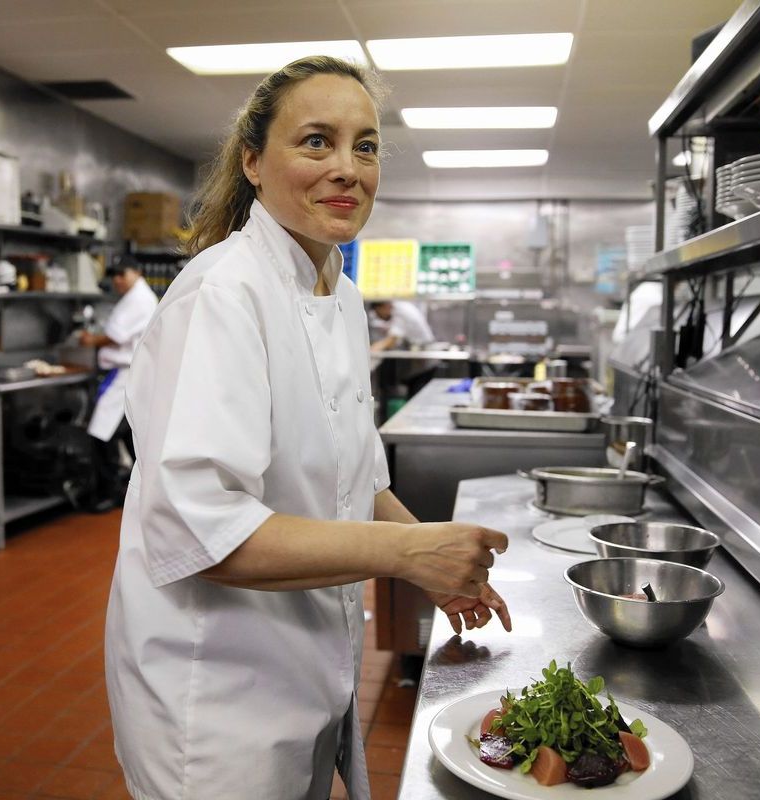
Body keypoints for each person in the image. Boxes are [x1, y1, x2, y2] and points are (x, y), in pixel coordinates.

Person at [104, 56, 512, 800]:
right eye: (317, 142)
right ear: (254, 162)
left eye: (365, 145)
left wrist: (439, 568)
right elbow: (202, 533)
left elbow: (360, 481)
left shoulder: (342, 295)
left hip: (310, 663)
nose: (347, 169)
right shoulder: (222, 294)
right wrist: (413, 553)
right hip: (220, 692)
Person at [79, 256, 157, 509]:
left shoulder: (140, 298)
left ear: (136, 272)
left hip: (124, 373)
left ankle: (110, 492)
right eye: (114, 275)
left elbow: (114, 336)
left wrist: (91, 341)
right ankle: (137, 488)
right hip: (127, 372)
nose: (117, 280)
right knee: (125, 433)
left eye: (122, 274)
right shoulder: (136, 296)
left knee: (100, 433)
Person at [370, 299, 439, 401]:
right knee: (414, 395)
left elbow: (391, 341)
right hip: (419, 360)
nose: (379, 317)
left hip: (424, 360)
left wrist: (371, 349)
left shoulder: (400, 312)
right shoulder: (400, 307)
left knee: (417, 397)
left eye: (377, 313)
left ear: (383, 307)